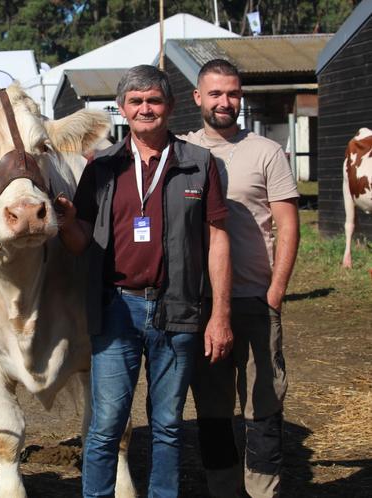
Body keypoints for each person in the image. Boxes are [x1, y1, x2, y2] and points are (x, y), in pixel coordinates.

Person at [55, 64, 233, 498]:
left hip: (178, 308)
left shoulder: (199, 163)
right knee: (106, 426)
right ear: (122, 109)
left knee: (168, 424)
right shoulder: (102, 169)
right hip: (117, 309)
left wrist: (221, 314)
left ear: (170, 106)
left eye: (153, 100)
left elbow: (217, 239)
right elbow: (79, 244)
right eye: (136, 102)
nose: (145, 109)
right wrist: (65, 221)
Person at [183, 59, 299, 498]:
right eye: (215, 94)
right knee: (211, 408)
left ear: (241, 96)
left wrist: (276, 290)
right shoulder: (183, 150)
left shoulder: (265, 151)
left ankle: (263, 491)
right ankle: (223, 490)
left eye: (231, 93)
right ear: (198, 98)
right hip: (202, 302)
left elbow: (287, 224)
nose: (224, 102)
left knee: (263, 407)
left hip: (254, 297)